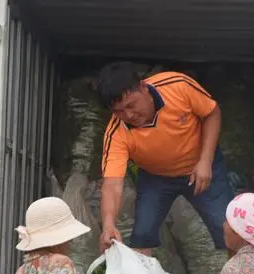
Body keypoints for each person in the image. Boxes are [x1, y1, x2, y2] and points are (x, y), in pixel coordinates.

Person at [96, 61, 235, 256]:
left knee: (231, 230)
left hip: (201, 166)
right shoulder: (116, 133)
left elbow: (212, 112)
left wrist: (205, 161)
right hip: (156, 178)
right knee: (141, 236)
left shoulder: (177, 85)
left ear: (143, 88)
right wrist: (108, 225)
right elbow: (112, 184)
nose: (128, 115)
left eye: (131, 105)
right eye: (119, 111)